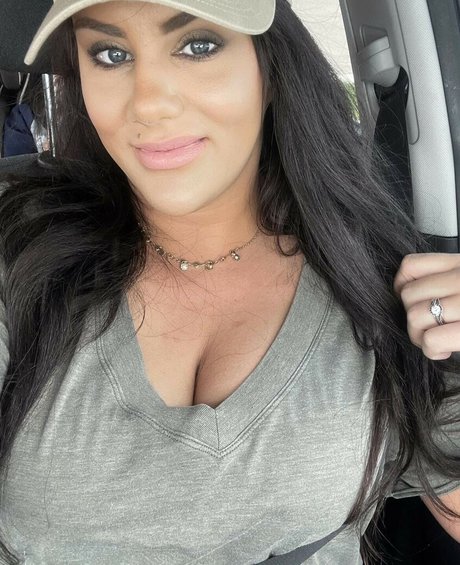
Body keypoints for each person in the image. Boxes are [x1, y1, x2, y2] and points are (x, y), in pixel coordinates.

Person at [0, 1, 459, 563]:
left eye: (198, 46)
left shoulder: (378, 281)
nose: (149, 102)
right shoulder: (20, 247)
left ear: (269, 65)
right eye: (110, 54)